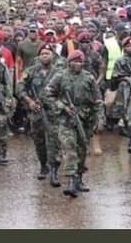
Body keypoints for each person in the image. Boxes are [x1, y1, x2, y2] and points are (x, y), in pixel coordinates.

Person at [44, 50, 104, 198]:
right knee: (69, 148)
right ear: (69, 62)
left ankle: (79, 179)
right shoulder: (60, 76)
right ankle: (71, 181)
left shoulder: (89, 78)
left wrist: (99, 119)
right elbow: (47, 94)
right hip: (66, 120)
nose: (79, 64)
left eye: (81, 61)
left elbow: (98, 100)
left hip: (85, 119)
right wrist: (63, 107)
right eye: (76, 61)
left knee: (82, 149)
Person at [17, 44, 63, 185]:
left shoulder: (59, 72)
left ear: (53, 55)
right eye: (42, 53)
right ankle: (44, 166)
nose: (45, 56)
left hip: (53, 113)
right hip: (36, 112)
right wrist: (29, 101)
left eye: (47, 53)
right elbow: (19, 88)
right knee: (39, 142)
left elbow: (65, 91)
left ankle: (54, 171)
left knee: (54, 142)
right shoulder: (31, 71)